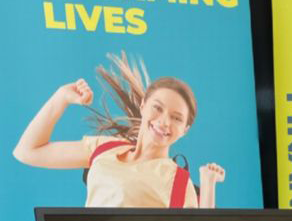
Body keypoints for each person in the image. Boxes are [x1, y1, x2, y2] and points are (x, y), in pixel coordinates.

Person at [13, 52, 225, 208]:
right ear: (143, 106)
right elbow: (27, 151)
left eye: (176, 118)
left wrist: (208, 185)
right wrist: (61, 97)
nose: (164, 122)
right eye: (157, 108)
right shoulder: (105, 148)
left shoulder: (178, 182)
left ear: (185, 130)